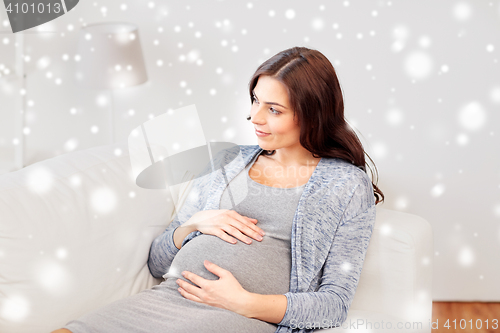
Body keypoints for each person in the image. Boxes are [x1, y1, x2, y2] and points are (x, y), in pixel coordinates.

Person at [53, 46, 384, 333]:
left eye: (274, 110)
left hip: (240, 317)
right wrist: (195, 223)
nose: (254, 117)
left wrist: (244, 302)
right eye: (255, 100)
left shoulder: (345, 185)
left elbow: (334, 303)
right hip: (165, 299)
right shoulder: (229, 161)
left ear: (313, 115)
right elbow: (157, 263)